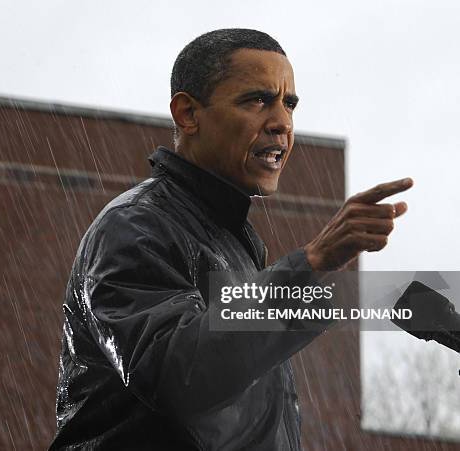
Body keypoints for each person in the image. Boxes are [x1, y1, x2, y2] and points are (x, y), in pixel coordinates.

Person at [49, 29, 413, 450]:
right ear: (187, 113)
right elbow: (180, 376)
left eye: (289, 103)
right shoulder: (135, 227)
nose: (282, 123)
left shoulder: (232, 239)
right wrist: (310, 262)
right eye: (257, 100)